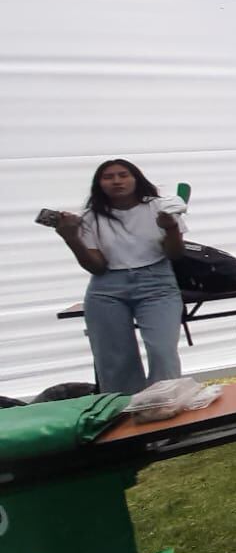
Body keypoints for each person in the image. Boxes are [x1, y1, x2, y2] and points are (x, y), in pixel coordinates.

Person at [51, 159, 188, 393]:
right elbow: (97, 267)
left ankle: (166, 409)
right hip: (107, 288)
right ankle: (125, 415)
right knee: (115, 359)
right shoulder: (90, 218)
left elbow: (175, 254)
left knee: (162, 351)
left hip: (156, 281)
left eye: (123, 175)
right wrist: (71, 238)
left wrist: (171, 227)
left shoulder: (161, 207)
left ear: (136, 178)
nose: (116, 181)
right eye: (108, 177)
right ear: (99, 184)